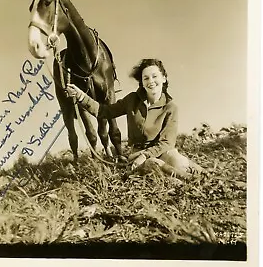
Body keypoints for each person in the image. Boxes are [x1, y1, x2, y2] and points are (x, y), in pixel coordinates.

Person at [65, 58, 203, 180]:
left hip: (162, 151)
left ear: (164, 78)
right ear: (142, 82)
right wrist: (81, 96)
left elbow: (167, 142)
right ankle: (188, 179)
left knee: (178, 162)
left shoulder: (171, 107)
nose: (151, 82)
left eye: (155, 76)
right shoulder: (131, 100)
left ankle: (204, 174)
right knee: (153, 165)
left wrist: (146, 155)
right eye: (146, 78)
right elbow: (104, 112)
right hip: (137, 154)